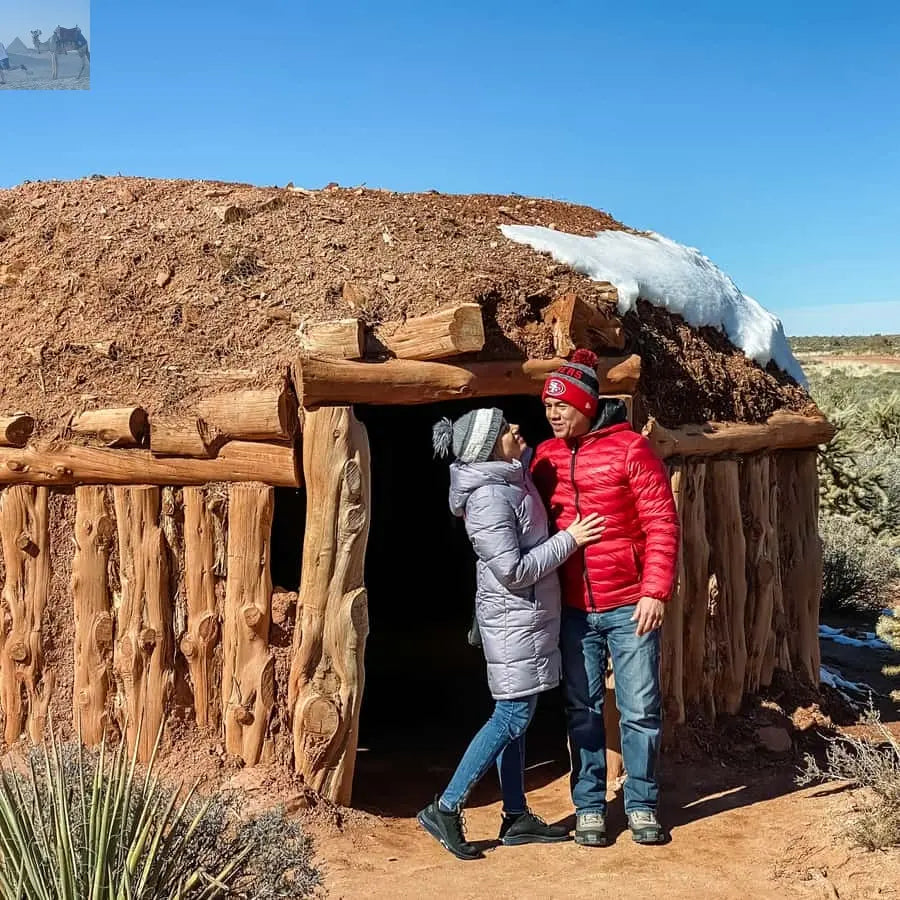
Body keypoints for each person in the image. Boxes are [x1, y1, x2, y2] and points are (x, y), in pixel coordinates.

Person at [418, 407, 605, 860]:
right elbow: (514, 570)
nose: (516, 428)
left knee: (517, 718)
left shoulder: (508, 481)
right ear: (488, 448)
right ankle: (445, 807)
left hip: (526, 619)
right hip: (512, 618)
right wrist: (571, 540)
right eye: (504, 429)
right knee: (511, 717)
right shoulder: (488, 500)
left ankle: (515, 815)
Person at [531, 349, 680, 847]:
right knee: (582, 709)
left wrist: (655, 590)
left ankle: (640, 803)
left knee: (639, 709)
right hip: (573, 608)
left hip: (628, 603)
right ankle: (590, 805)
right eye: (547, 405)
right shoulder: (544, 457)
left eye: (561, 404)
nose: (552, 413)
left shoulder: (630, 450)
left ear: (587, 404)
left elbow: (662, 522)